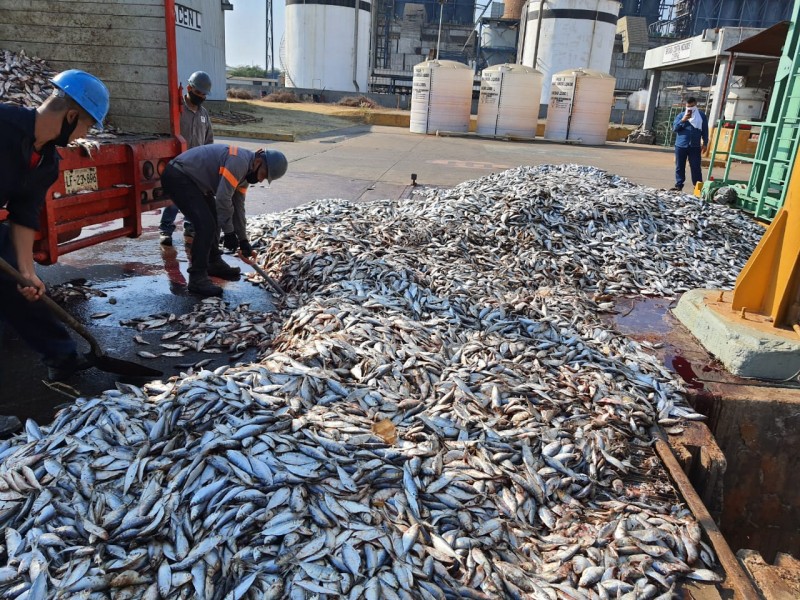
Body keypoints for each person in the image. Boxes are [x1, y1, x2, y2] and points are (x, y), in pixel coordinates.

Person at [0, 70, 110, 383]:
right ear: (72, 116)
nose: (84, 134)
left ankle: (61, 357)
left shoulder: (47, 162)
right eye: (88, 125)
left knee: (21, 289)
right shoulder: (3, 125)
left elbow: (23, 213)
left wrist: (26, 271)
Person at [160, 145, 288, 296]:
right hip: (179, 176)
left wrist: (243, 240)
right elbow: (223, 199)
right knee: (205, 226)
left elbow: (238, 206)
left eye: (265, 178)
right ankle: (197, 278)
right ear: (258, 161)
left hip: (195, 182)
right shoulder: (239, 162)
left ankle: (213, 263)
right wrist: (229, 233)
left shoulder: (246, 173)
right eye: (263, 174)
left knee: (213, 220)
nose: (260, 180)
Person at [159, 71, 214, 246]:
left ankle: (190, 227)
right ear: (189, 89)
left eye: (204, 95)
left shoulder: (204, 114)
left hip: (197, 166)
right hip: (178, 163)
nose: (201, 97)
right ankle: (166, 230)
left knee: (194, 198)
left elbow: (208, 139)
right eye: (198, 93)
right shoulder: (177, 109)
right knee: (175, 199)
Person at [671, 97, 708, 192]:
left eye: (692, 107)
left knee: (696, 166)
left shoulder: (701, 116)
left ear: (696, 105)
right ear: (685, 106)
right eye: (688, 107)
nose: (690, 109)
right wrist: (683, 120)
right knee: (680, 166)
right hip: (681, 145)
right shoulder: (681, 115)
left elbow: (704, 130)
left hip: (695, 146)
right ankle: (679, 185)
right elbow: (674, 128)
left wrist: (705, 142)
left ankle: (698, 187)